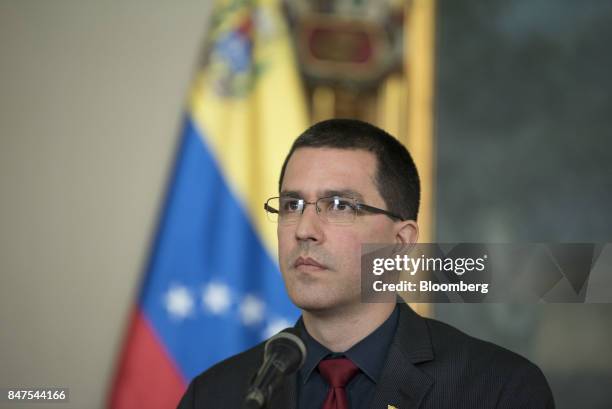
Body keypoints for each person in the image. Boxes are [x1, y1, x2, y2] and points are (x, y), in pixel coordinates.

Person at [177, 119, 555, 409]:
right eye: (292, 205)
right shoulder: (216, 395)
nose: (304, 230)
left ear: (401, 242)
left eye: (339, 206)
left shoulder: (498, 390)